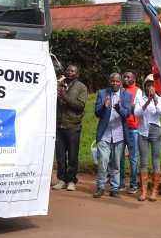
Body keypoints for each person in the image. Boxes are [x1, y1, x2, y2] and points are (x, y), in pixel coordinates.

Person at [93, 72, 132, 199]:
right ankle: (100, 188)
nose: (114, 83)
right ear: (109, 82)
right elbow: (97, 113)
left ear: (121, 83)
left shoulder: (126, 95)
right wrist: (104, 107)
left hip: (119, 135)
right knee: (103, 162)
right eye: (112, 81)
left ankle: (114, 189)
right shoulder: (102, 93)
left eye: (117, 81)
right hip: (104, 134)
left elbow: (126, 114)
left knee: (116, 164)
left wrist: (118, 108)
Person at [53, 64, 87, 192]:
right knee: (60, 154)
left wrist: (65, 97)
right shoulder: (59, 84)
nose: (69, 72)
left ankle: (72, 180)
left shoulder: (81, 87)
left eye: (73, 71)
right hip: (58, 125)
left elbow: (80, 106)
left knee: (73, 155)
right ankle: (62, 180)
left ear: (77, 74)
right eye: (68, 70)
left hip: (73, 125)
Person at [134, 75, 161, 202]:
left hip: (155, 131)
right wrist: (147, 102)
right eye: (148, 84)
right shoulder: (140, 99)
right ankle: (143, 192)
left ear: (157, 86)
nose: (151, 87)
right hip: (142, 131)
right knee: (144, 161)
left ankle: (154, 191)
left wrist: (155, 99)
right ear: (145, 86)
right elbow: (136, 113)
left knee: (156, 161)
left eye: (153, 85)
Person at [118, 71, 141, 194]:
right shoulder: (120, 90)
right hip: (120, 127)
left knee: (133, 158)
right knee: (120, 157)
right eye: (124, 77)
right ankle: (121, 183)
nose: (126, 79)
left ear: (134, 79)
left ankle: (133, 184)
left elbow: (136, 107)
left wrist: (123, 104)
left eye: (128, 77)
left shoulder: (138, 91)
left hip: (133, 128)